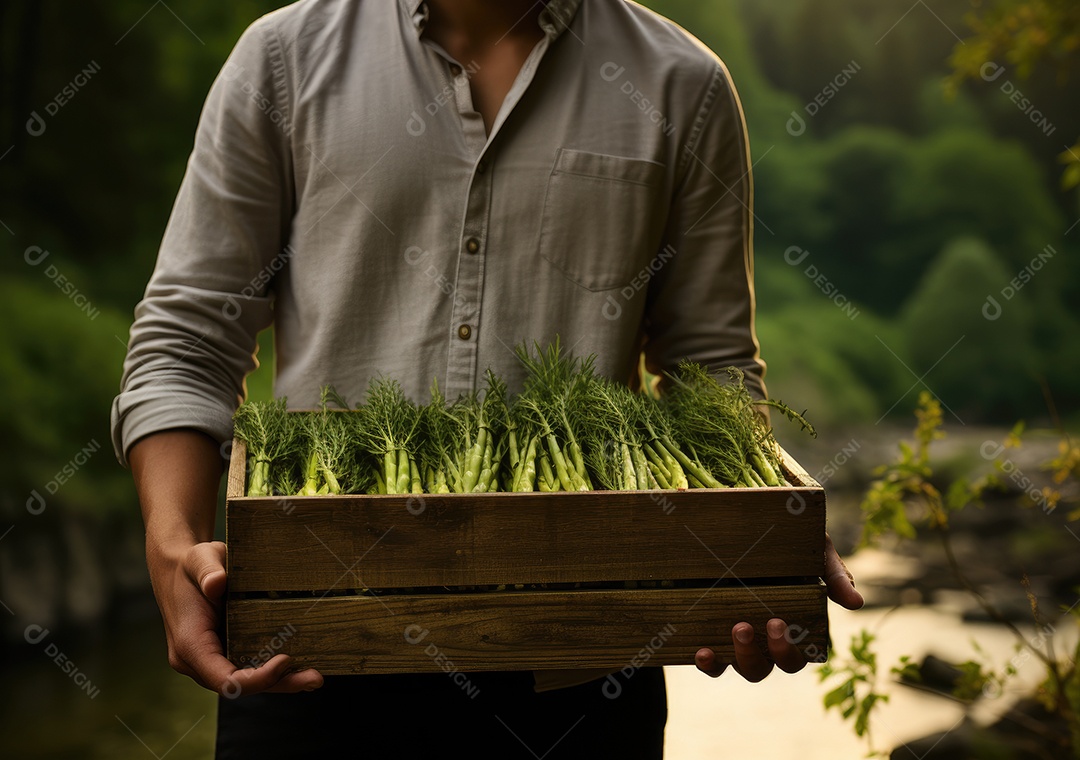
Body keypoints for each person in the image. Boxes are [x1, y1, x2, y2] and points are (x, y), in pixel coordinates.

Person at [111, 0, 863, 755]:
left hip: (585, 664)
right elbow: (189, 340)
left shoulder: (681, 82)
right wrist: (172, 548)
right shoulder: (285, 58)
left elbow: (712, 368)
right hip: (309, 653)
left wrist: (762, 529)